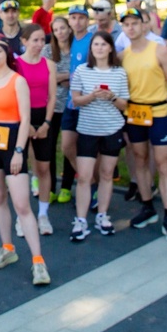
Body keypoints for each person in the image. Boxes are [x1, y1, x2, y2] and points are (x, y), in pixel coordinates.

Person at [0, 34, 50, 286]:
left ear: (7, 54)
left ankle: (38, 261)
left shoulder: (18, 81)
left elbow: (26, 119)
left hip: (13, 140)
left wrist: (19, 151)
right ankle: (7, 248)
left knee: (22, 204)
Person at [118, 8, 167, 243]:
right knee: (140, 159)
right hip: (134, 113)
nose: (131, 28)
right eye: (127, 24)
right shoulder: (123, 56)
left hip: (157, 112)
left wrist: (166, 107)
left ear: (145, 25)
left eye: (136, 23)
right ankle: (147, 206)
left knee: (163, 163)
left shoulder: (160, 50)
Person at [68, 32, 129, 241]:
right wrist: (92, 96)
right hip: (88, 130)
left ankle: (102, 215)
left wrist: (111, 97)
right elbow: (76, 100)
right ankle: (80, 219)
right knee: (84, 176)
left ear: (111, 48)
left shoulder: (119, 73)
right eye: (96, 44)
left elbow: (124, 104)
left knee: (106, 173)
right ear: (91, 48)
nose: (100, 48)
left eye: (104, 44)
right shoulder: (82, 70)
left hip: (112, 129)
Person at [15, 24, 57, 233]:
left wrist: (47, 123)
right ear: (24, 41)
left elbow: (52, 97)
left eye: (42, 40)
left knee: (43, 168)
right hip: (21, 117)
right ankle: (21, 216)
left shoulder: (49, 64)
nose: (40, 44)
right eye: (35, 40)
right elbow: (12, 95)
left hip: (42, 118)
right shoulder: (16, 65)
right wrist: (26, 124)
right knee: (19, 169)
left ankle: (43, 214)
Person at [57, 5, 94, 203]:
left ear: (87, 20)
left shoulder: (92, 40)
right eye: (73, 18)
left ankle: (93, 187)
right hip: (71, 103)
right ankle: (88, 181)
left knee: (89, 149)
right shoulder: (70, 42)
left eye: (81, 18)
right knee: (67, 146)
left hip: (88, 103)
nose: (77, 22)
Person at [41, 16, 71, 201]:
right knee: (49, 148)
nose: (60, 32)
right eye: (56, 29)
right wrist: (66, 76)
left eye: (63, 28)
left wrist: (58, 77)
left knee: (69, 147)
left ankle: (66, 187)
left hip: (72, 105)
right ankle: (51, 187)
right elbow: (45, 77)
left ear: (69, 29)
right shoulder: (47, 50)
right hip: (52, 106)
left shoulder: (76, 49)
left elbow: (82, 74)